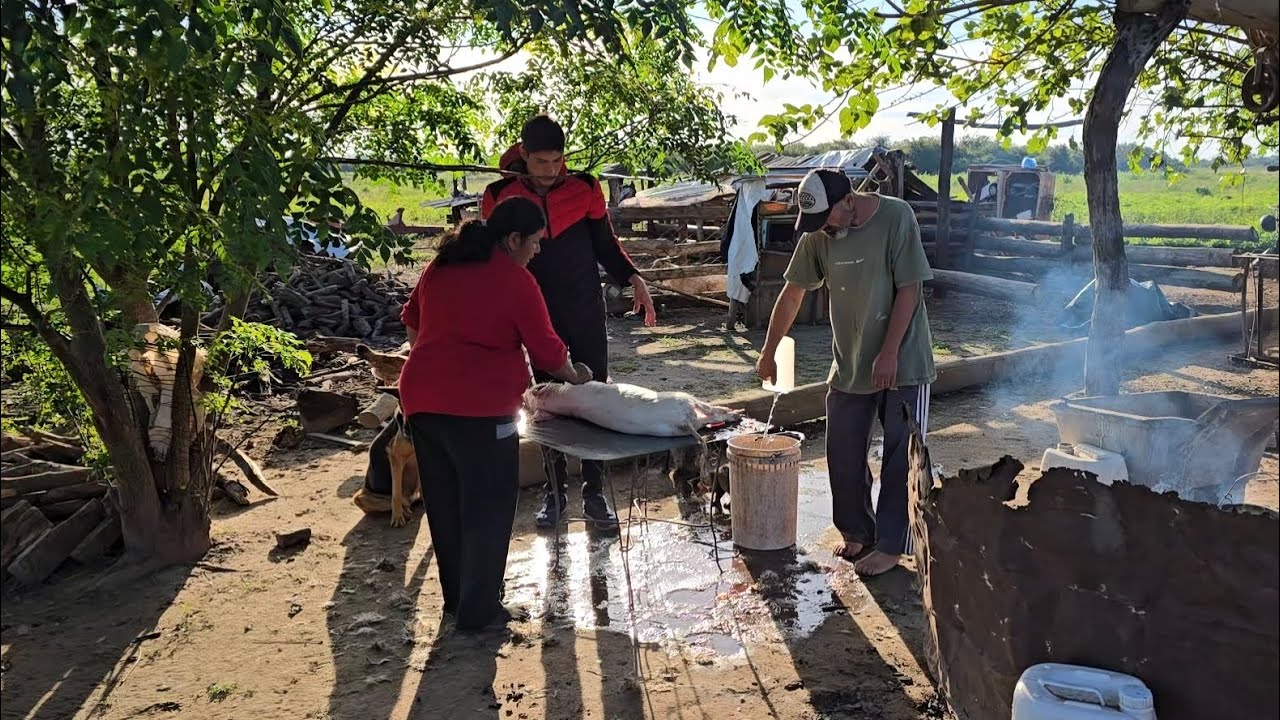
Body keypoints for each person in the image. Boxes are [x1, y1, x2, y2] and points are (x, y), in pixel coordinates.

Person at [398, 196, 593, 632]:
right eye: (536, 243)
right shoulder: (515, 280)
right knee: (488, 505)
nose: (538, 251)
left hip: (424, 403)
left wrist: (436, 359)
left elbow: (411, 322)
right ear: (513, 239)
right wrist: (577, 376)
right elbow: (547, 350)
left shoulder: (441, 267)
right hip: (482, 409)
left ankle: (458, 602)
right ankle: (480, 612)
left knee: (447, 504)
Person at [756, 169, 936, 578]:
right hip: (850, 361)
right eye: (817, 223)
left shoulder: (896, 217)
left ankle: (892, 545)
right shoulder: (820, 233)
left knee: (901, 455)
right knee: (842, 447)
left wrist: (889, 352)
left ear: (849, 200)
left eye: (829, 218)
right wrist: (768, 351)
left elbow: (910, 288)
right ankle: (857, 530)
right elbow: (793, 292)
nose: (824, 228)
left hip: (903, 360)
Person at [482, 115, 657, 530]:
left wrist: (632, 277)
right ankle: (555, 492)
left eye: (558, 160)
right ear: (523, 156)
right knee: (546, 403)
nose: (550, 170)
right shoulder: (499, 194)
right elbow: (495, 256)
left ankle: (594, 493)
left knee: (593, 394)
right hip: (533, 311)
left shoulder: (585, 188)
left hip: (583, 306)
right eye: (541, 162)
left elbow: (605, 243)